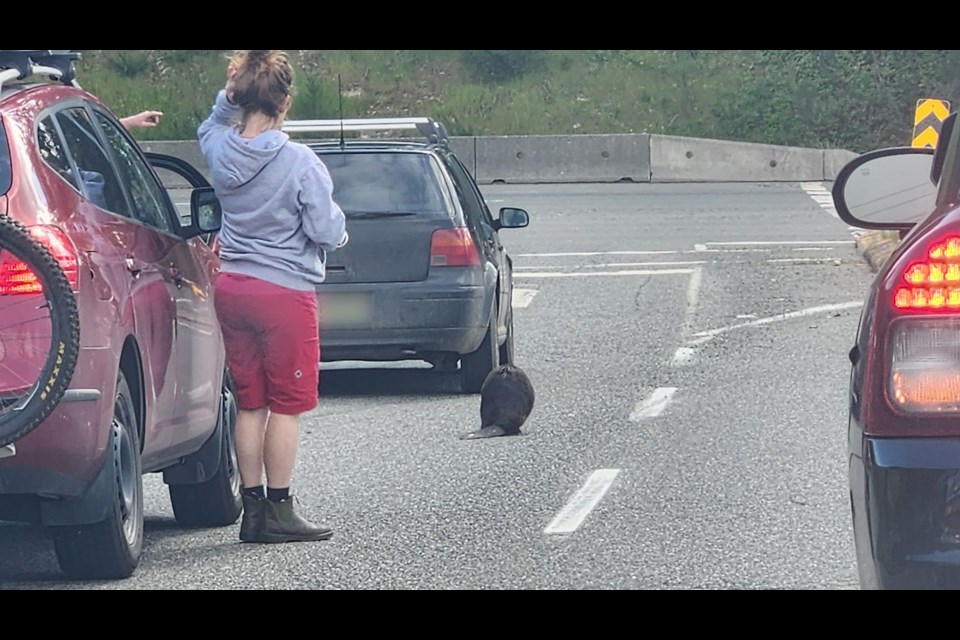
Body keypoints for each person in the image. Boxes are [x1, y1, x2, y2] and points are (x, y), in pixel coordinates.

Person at [197, 50, 347, 545]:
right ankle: (281, 510)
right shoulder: (300, 160)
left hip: (233, 286)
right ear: (285, 102)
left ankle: (252, 509)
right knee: (287, 404)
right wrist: (339, 235)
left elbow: (214, 120)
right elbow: (324, 228)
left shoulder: (219, 147)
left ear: (242, 95)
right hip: (284, 291)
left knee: (251, 402)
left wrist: (230, 92)